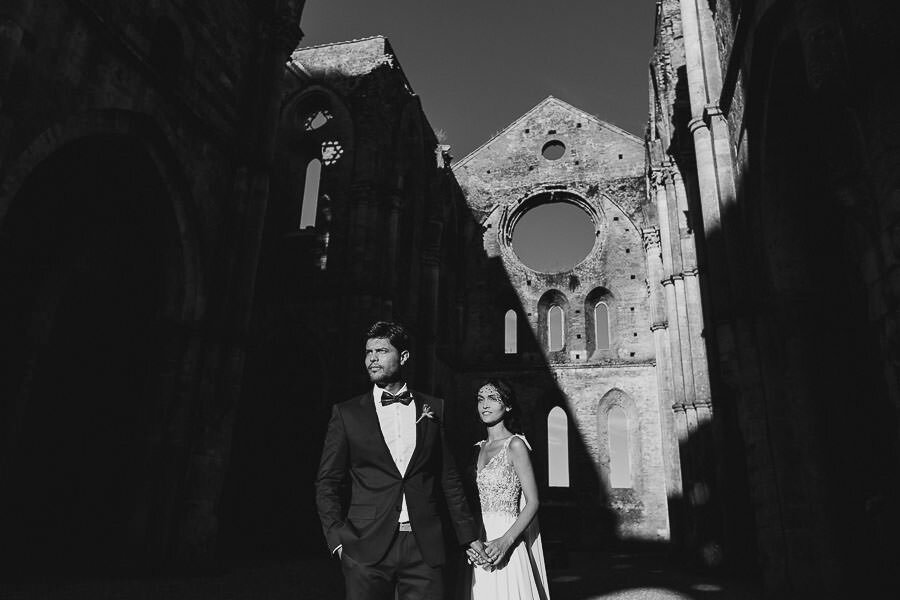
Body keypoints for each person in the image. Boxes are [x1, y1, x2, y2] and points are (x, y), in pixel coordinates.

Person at [315, 321, 487, 600]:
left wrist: (467, 534)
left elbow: (449, 477)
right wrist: (337, 539)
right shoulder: (347, 414)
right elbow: (327, 482)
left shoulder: (433, 408)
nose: (372, 358)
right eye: (368, 352)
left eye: (381, 351)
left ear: (404, 357)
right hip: (364, 547)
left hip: (424, 547)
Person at [467, 379, 550, 600]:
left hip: (508, 538)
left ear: (508, 405)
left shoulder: (515, 445)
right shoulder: (476, 449)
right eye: (480, 399)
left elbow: (533, 502)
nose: (485, 405)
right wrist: (470, 541)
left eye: (493, 398)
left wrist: (505, 542)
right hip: (479, 544)